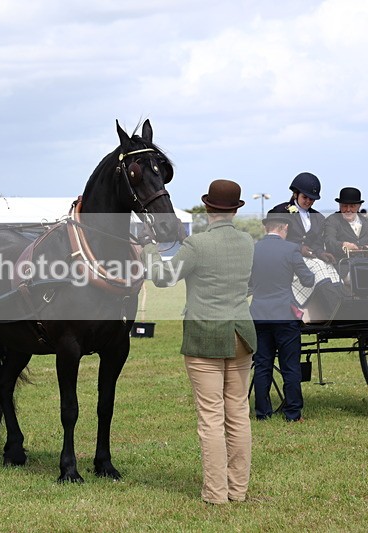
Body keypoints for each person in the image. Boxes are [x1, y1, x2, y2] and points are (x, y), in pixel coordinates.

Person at [140, 179, 256, 505]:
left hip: (206, 335)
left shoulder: (197, 245)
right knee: (238, 414)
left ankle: (216, 493)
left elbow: (164, 278)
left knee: (211, 418)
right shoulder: (247, 241)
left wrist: (148, 248)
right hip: (241, 334)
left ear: (207, 208)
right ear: (235, 209)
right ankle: (238, 489)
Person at [249, 212, 315, 422]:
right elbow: (307, 280)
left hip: (259, 313)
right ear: (284, 228)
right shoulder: (291, 249)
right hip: (284, 314)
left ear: (266, 228)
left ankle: (262, 413)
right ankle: (293, 413)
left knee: (262, 365)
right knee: (290, 365)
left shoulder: (254, 249)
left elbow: (249, 283)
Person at [267, 172, 333, 263]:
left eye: (311, 199)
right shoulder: (281, 211)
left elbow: (317, 243)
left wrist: (320, 252)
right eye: (305, 197)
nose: (308, 201)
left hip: (310, 259)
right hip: (286, 259)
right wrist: (298, 248)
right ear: (295, 194)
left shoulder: (319, 218)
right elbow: (275, 240)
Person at [323, 187, 368, 264]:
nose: (348, 209)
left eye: (352, 206)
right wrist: (343, 245)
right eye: (344, 206)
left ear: (359, 206)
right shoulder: (332, 220)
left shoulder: (365, 221)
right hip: (343, 266)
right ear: (339, 205)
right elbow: (329, 241)